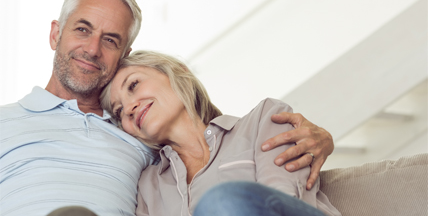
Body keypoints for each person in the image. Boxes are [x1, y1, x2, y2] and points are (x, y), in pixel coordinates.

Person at [0, 0, 333, 216]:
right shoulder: (150, 178)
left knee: (222, 203)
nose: (92, 49)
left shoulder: (259, 122)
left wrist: (323, 138)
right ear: (56, 33)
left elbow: (280, 200)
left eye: (111, 39)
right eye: (82, 29)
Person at [101, 50, 341, 216]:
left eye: (133, 85)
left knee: (222, 201)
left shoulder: (264, 120)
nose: (129, 109)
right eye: (119, 111)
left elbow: (281, 200)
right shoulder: (148, 185)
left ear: (178, 73)